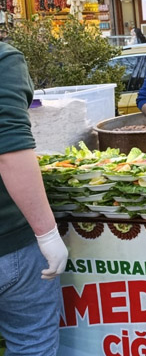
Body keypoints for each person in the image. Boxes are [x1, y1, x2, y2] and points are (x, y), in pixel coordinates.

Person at [0, 42, 68, 354]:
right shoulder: (4, 58)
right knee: (32, 346)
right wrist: (48, 233)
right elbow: (9, 152)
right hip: (9, 244)